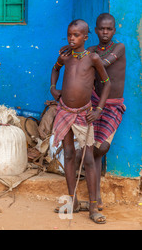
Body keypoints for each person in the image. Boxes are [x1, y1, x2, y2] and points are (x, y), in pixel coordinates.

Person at [59, 13, 126, 212]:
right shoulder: (90, 51)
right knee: (92, 153)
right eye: (101, 29)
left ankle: (79, 162)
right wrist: (70, 57)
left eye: (109, 29)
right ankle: (95, 199)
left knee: (101, 147)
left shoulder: (118, 48)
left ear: (114, 30)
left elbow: (101, 65)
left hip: (111, 104)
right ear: (95, 31)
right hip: (93, 103)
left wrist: (79, 55)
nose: (105, 32)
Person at [50, 19, 111, 224]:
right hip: (64, 111)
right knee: (68, 154)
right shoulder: (66, 57)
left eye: (76, 35)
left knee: (87, 159)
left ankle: (93, 207)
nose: (71, 39)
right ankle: (73, 201)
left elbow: (106, 83)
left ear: (85, 37)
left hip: (84, 115)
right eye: (69, 35)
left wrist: (100, 109)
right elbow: (55, 69)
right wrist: (53, 88)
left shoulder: (93, 58)